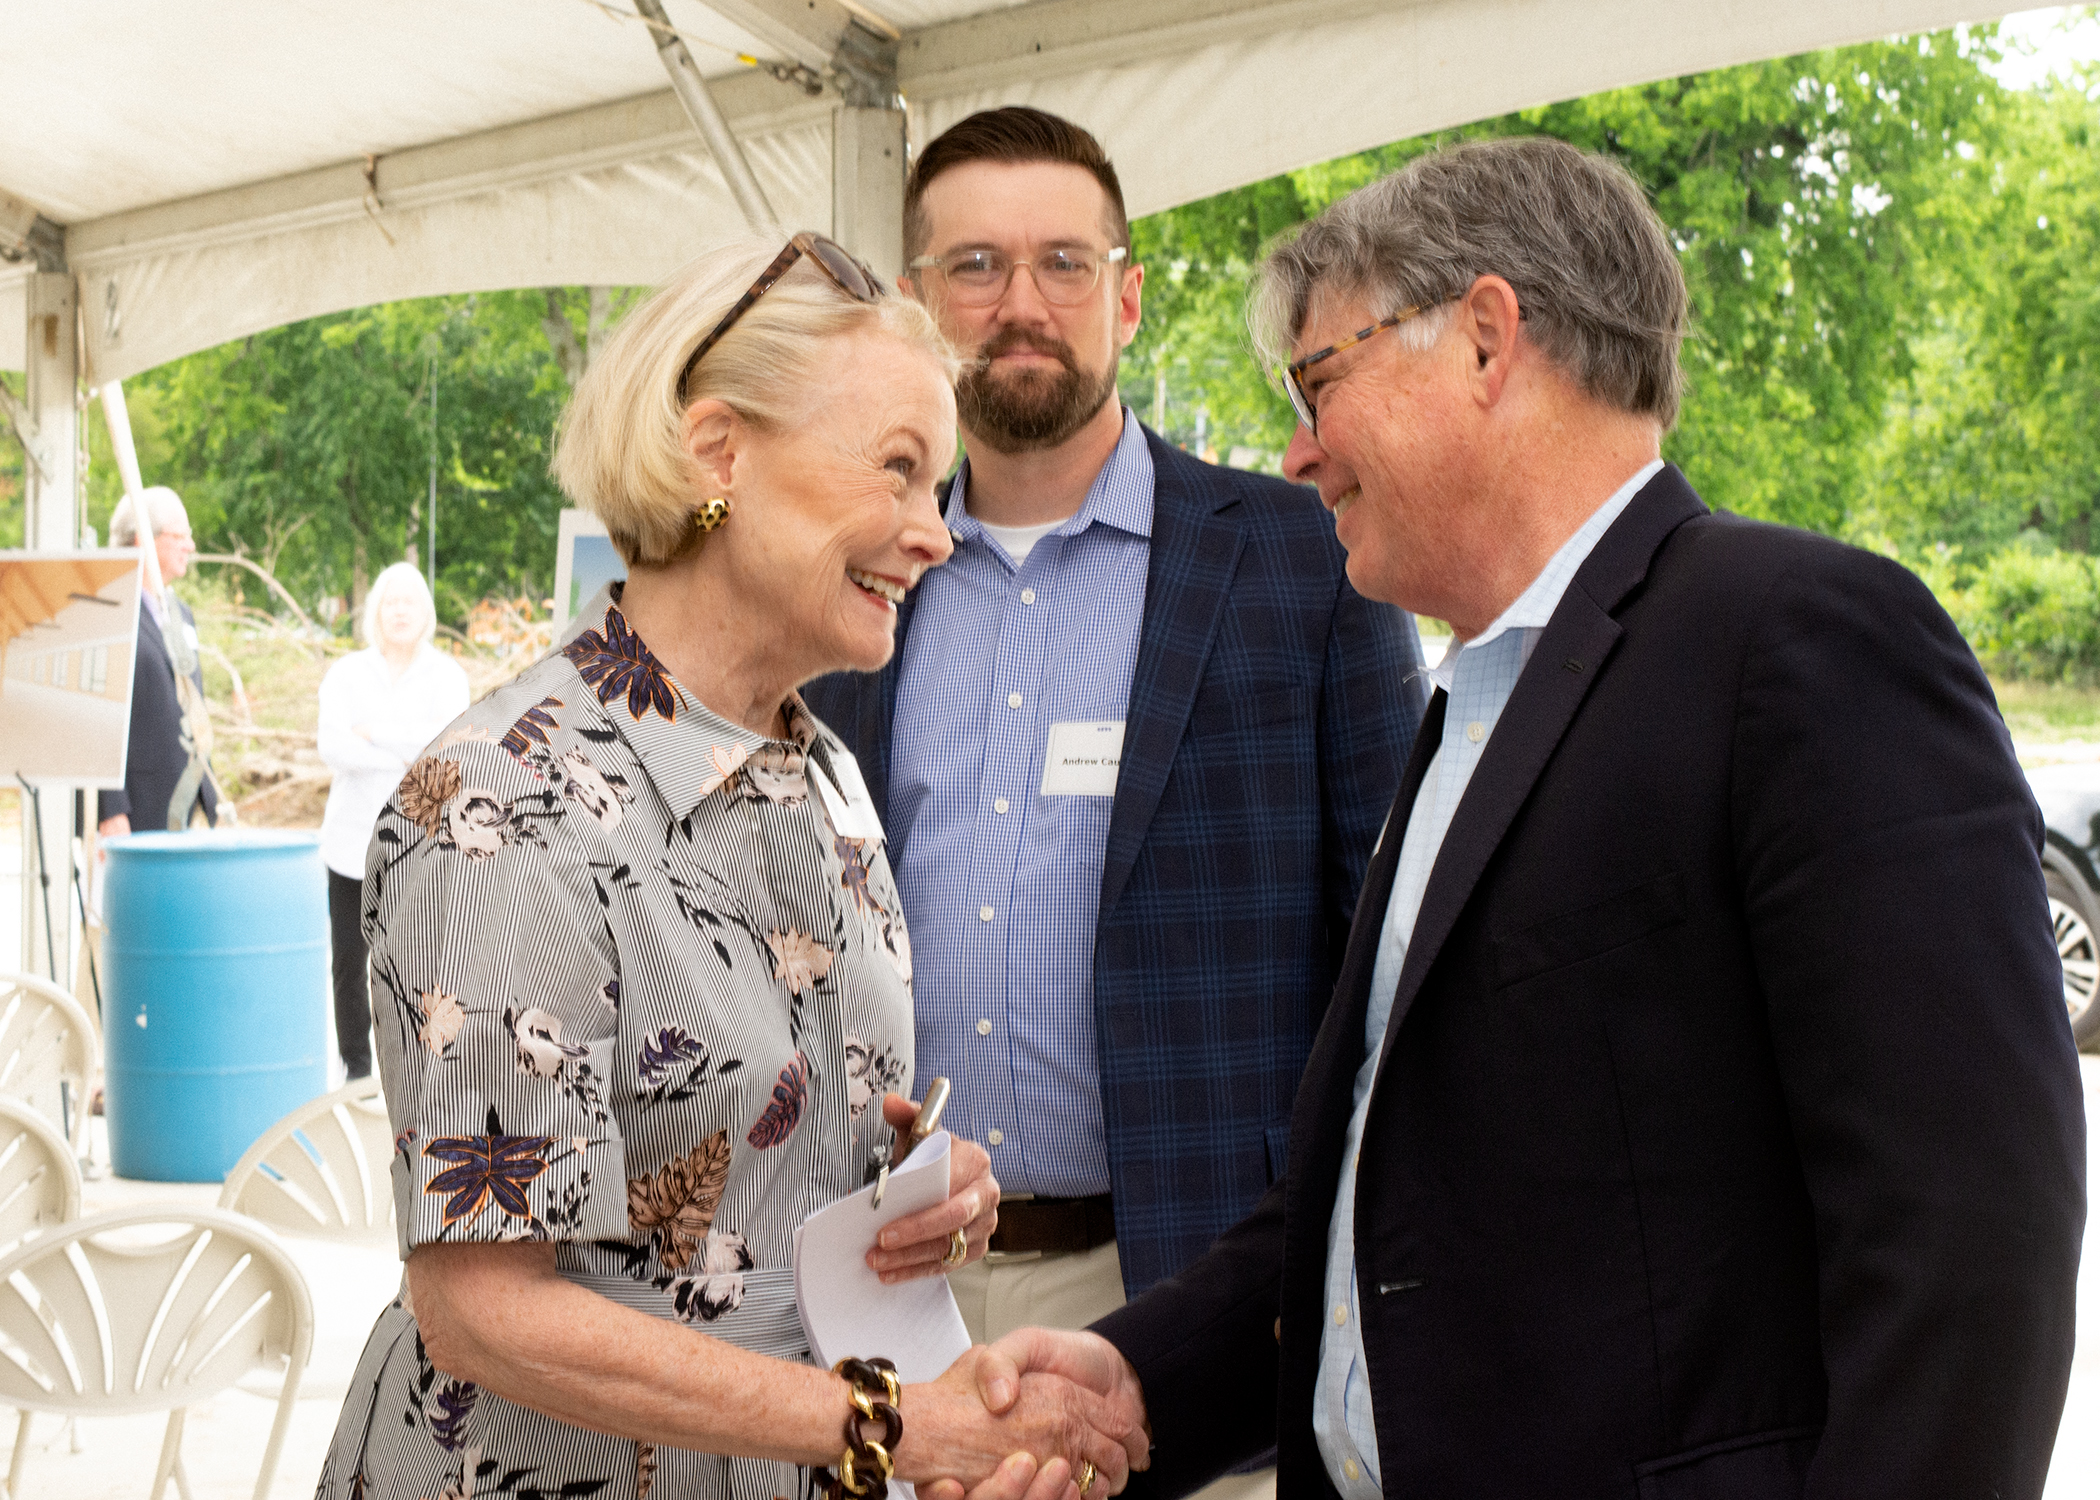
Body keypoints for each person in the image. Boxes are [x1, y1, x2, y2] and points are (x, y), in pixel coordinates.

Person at [958, 136, 2087, 1500]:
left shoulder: (1798, 639)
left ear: (1486, 341)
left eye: (1321, 382)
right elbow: (1389, 1175)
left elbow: (1968, 1238)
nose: (1299, 451)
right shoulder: (1467, 705)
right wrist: (1145, 1376)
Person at [318, 234, 1147, 1500]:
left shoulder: (827, 778)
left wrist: (917, 1196)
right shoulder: (503, 796)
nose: (936, 536)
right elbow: (484, 1313)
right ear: (719, 453)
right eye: (900, 472)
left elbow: (753, 1172)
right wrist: (895, 1428)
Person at [799, 113, 1421, 1496]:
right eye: (974, 265)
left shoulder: (1304, 563)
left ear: (1128, 296)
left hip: (1198, 1302)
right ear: (914, 302)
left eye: (1063, 263)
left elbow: (1394, 960)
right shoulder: (843, 581)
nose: (1021, 304)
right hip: (891, 1295)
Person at [316, 561, 470, 1080]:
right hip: (349, 844)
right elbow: (334, 747)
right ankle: (357, 1067)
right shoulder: (347, 674)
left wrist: (374, 732)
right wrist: (405, 747)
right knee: (348, 963)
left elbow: (446, 749)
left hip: (419, 843)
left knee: (415, 961)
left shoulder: (447, 675)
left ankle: (410, 1068)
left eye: (409, 601)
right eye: (390, 601)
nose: (399, 611)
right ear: (376, 612)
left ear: (424, 611)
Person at [96, 486, 218, 836]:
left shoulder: (181, 614)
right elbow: (98, 713)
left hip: (185, 806)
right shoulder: (109, 610)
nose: (190, 546)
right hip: (134, 814)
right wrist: (111, 809)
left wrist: (207, 797)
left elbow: (194, 704)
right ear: (143, 540)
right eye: (180, 536)